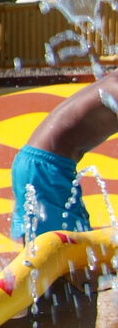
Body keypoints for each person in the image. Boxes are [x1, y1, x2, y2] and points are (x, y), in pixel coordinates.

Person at [11, 71, 118, 241]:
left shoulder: (111, 81)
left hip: (47, 166)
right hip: (44, 167)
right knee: (60, 250)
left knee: (76, 248)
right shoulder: (113, 89)